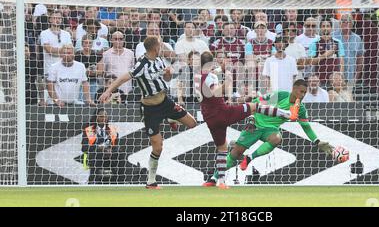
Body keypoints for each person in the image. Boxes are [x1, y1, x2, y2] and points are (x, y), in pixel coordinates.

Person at [99, 36, 198, 189]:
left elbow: (166, 77)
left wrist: (168, 73)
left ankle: (171, 119)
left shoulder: (159, 60)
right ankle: (151, 181)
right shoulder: (141, 65)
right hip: (150, 109)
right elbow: (121, 79)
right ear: (155, 48)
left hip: (166, 102)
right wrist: (108, 92)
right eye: (160, 46)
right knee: (158, 147)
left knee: (193, 123)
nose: (162, 48)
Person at [203, 79, 334, 185]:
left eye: (305, 92)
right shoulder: (281, 95)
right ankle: (214, 179)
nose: (303, 95)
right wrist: (252, 118)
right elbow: (257, 102)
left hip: (270, 130)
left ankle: (249, 158)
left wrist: (317, 141)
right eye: (301, 91)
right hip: (255, 125)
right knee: (235, 154)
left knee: (277, 138)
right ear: (294, 89)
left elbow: (306, 127)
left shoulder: (300, 109)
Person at [198, 50, 296, 188]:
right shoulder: (211, 77)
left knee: (222, 148)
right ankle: (285, 114)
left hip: (210, 119)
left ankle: (216, 181)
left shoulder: (198, 77)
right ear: (211, 62)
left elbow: (213, 74)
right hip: (222, 113)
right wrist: (228, 82)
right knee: (254, 106)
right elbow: (215, 91)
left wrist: (224, 68)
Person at [81, 108, 126, 183]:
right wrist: (98, 148)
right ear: (96, 117)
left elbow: (117, 145)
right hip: (95, 154)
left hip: (110, 155)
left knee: (121, 154)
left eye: (105, 116)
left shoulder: (112, 129)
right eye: (101, 116)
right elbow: (84, 148)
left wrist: (111, 149)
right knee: (96, 155)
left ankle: (121, 181)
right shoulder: (89, 130)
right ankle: (93, 181)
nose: (104, 118)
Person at [97, 31, 135, 98]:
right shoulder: (106, 54)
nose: (118, 41)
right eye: (116, 39)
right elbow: (102, 74)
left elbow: (133, 71)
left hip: (127, 90)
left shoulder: (131, 53)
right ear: (111, 40)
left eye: (121, 39)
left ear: (124, 40)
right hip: (112, 92)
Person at [307, 17, 345, 84]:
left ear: (331, 28)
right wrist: (325, 55)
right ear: (320, 28)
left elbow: (341, 62)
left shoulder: (338, 42)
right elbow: (311, 62)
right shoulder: (315, 43)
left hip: (334, 80)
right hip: (320, 79)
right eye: (323, 26)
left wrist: (340, 76)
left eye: (328, 26)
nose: (325, 28)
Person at [331, 13, 364, 86]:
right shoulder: (332, 36)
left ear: (352, 24)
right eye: (343, 21)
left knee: (348, 97)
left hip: (350, 78)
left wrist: (356, 78)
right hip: (334, 78)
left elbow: (360, 59)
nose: (346, 23)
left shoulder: (357, 38)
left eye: (348, 21)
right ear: (340, 23)